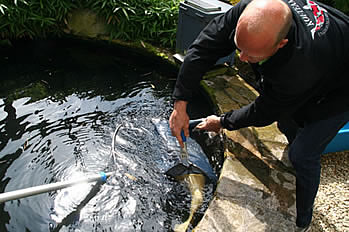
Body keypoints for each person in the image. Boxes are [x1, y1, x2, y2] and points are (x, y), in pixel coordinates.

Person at [169, 0, 349, 231]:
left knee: (303, 153)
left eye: (251, 55)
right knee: (288, 122)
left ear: (281, 44)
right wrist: (180, 104)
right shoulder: (250, 10)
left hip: (341, 85)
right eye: (238, 47)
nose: (241, 58)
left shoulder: (300, 67)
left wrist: (223, 122)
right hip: (314, 64)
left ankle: (303, 219)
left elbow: (265, 111)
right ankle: (293, 147)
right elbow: (202, 49)